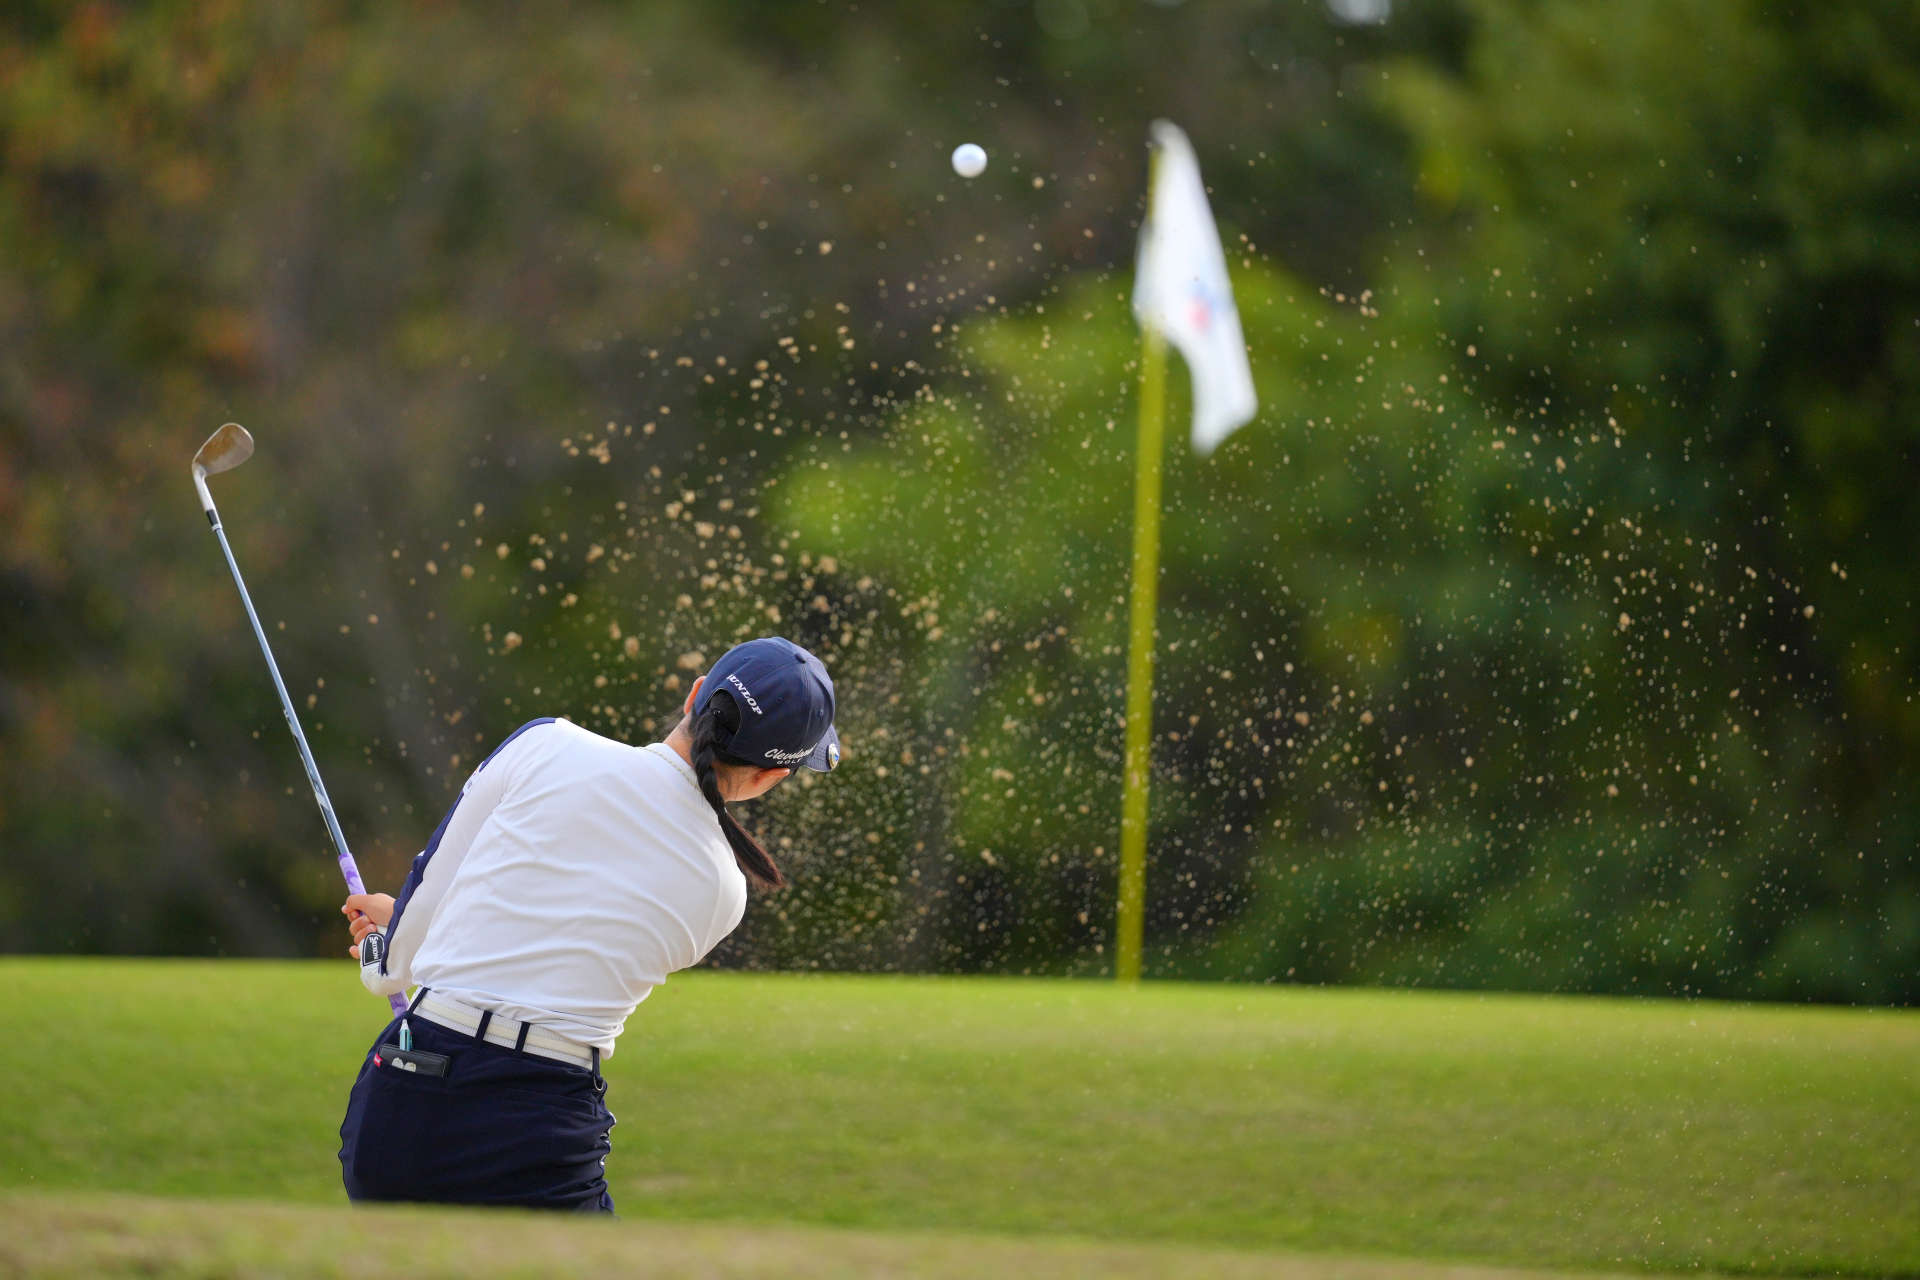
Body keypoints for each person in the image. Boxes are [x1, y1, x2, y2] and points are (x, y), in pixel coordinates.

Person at [335, 635, 840, 1212]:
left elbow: (400, 960)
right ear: (769, 777)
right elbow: (571, 939)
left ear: (695, 695)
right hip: (538, 1128)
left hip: (403, 1107)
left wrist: (388, 943)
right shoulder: (723, 892)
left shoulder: (543, 743)